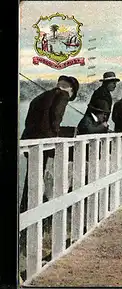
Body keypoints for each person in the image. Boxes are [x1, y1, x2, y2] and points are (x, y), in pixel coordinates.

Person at [20, 75, 80, 212]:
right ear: (70, 89)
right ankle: (47, 207)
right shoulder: (63, 94)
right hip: (45, 143)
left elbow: (31, 122)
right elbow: (56, 116)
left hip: (30, 141)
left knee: (32, 179)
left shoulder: (40, 97)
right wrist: (57, 132)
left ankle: (25, 209)